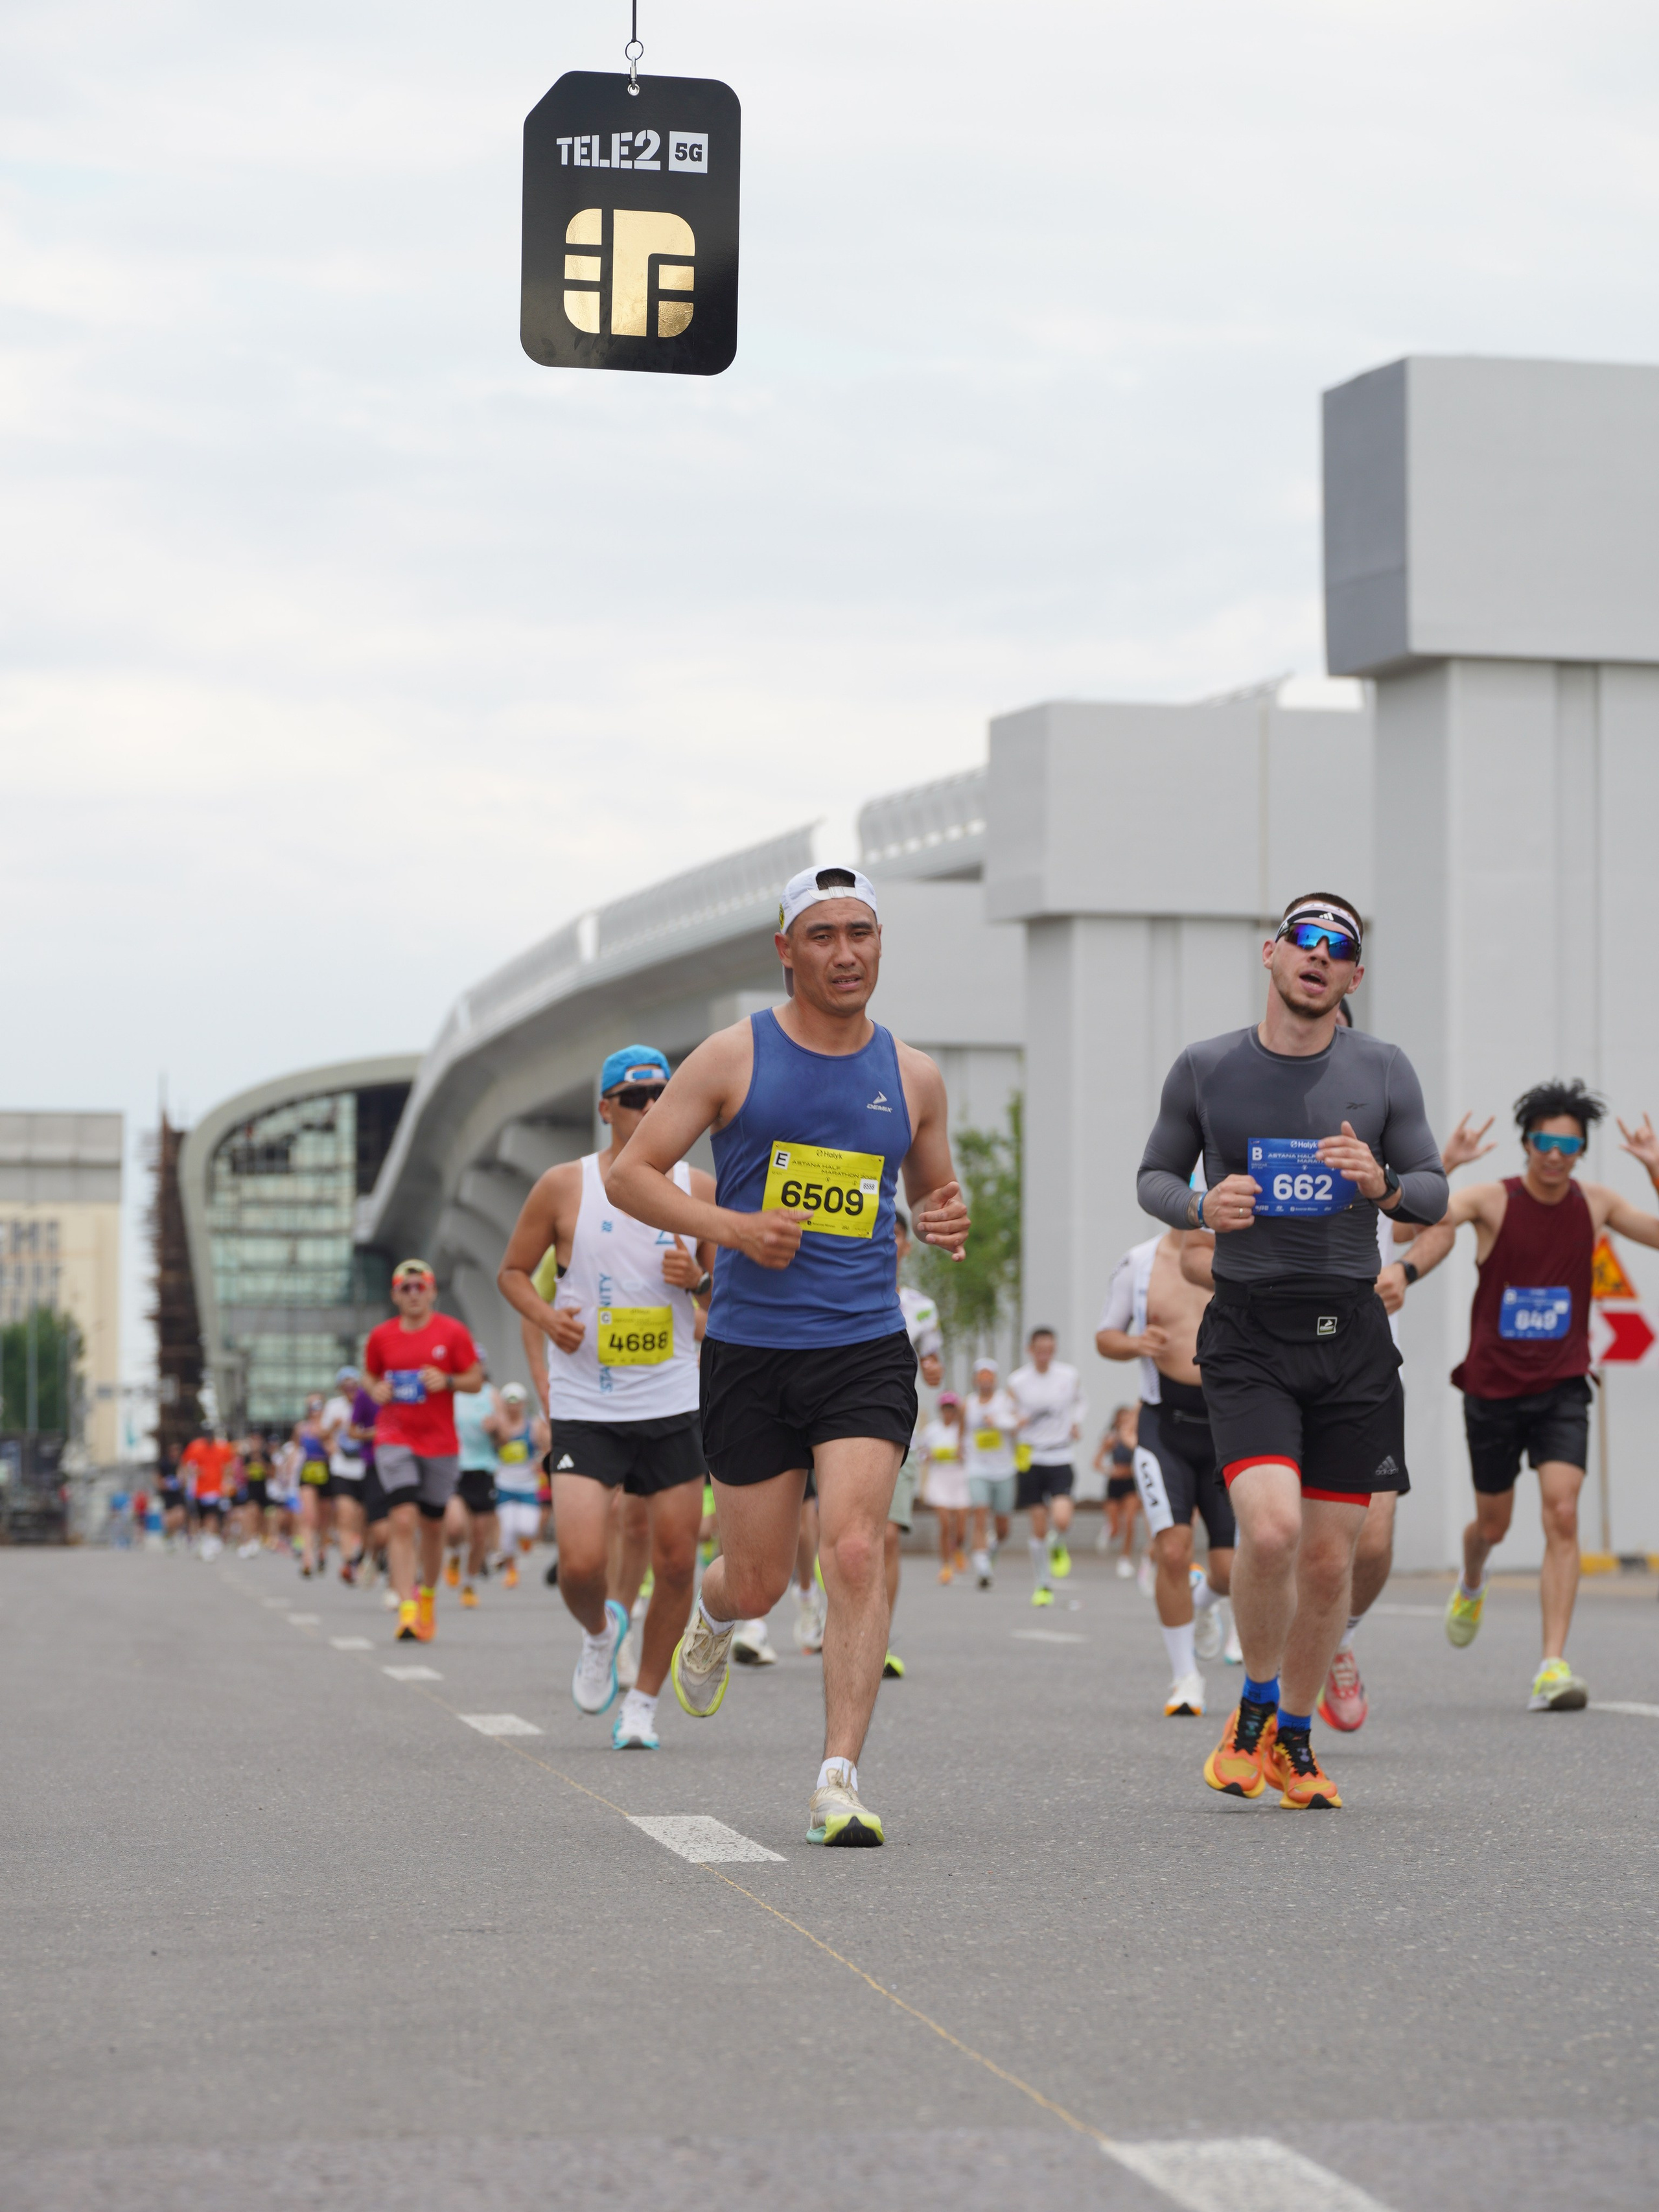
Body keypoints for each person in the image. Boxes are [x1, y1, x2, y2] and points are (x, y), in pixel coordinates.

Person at [608, 865, 969, 1845]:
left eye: (862, 932)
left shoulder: (915, 1075)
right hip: (751, 1350)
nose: (846, 953)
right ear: (785, 949)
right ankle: (717, 1614)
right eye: (822, 935)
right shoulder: (733, 1058)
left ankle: (837, 1778)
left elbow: (937, 1208)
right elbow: (632, 1178)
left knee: (853, 1547)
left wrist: (946, 1221)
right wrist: (730, 1228)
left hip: (862, 1343)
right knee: (759, 1575)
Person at [1136, 892, 1447, 1809]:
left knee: (1327, 1564)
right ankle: (1256, 1707)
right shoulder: (1207, 1068)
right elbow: (1154, 1174)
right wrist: (1202, 1206)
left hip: (1351, 1337)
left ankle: (1296, 1742)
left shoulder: (1384, 1070)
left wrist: (1383, 1183)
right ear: (1271, 954)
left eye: (1339, 947)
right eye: (1305, 939)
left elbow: (1431, 1191)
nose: (1319, 955)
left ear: (1353, 977)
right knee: (1270, 1530)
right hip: (1252, 1333)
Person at [1398, 1080, 1659, 1711]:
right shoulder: (1490, 1200)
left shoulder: (1595, 1203)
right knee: (1493, 1523)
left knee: (1562, 1515)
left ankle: (1551, 1665)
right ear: (1526, 1143)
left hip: (1563, 1383)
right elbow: (1411, 1228)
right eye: (1545, 1140)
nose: (1555, 1153)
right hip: (1491, 1387)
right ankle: (1471, 1575)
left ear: (1580, 1150)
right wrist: (1445, 1164)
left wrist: (1654, 1170)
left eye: (1568, 1143)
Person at [498, 1046, 714, 1749]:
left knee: (677, 1559)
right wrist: (546, 1316)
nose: (650, 1107)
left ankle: (643, 1703)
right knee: (582, 1561)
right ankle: (599, 1632)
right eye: (633, 1096)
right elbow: (510, 1272)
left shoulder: (698, 1188)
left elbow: (739, 1291)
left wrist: (698, 1280)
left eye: (661, 1094)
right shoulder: (565, 1186)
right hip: (588, 1401)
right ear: (605, 1108)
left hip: (674, 1395)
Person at [1098, 1233, 1235, 1716]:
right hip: (1164, 1425)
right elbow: (1106, 1335)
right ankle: (1185, 1677)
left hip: (1231, 1422)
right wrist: (1136, 1343)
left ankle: (1200, 1604)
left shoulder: (1245, 1248)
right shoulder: (1139, 1261)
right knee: (1173, 1550)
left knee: (1230, 1570)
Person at [362, 1260, 483, 1643]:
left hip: (440, 1443)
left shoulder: (453, 1332)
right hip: (394, 1438)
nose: (414, 1294)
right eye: (406, 1288)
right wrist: (374, 1389)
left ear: (432, 1292)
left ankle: (426, 1597)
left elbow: (475, 1380)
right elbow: (369, 1374)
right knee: (402, 1519)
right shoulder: (381, 1336)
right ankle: (406, 1608)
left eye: (421, 1287)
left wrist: (447, 1380)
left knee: (433, 1525)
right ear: (395, 1295)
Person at [883, 1208, 945, 1678]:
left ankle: (876, 1638)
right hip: (831, 1427)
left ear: (906, 1245)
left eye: (897, 1234)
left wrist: (934, 1370)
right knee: (839, 1540)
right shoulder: (837, 1296)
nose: (889, 1240)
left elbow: (932, 1359)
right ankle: (836, 1614)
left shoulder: (921, 1308)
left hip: (896, 1428)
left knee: (884, 1538)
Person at [1008, 1327, 1086, 1600]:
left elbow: (1080, 1402)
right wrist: (1013, 1423)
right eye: (1040, 1350)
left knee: (1062, 1518)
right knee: (1038, 1524)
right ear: (1031, 1351)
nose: (1045, 1355)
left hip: (1060, 1454)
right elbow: (1005, 1413)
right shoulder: (1018, 1381)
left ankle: (1059, 1542)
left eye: (1049, 1350)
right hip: (1031, 1456)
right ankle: (1043, 1583)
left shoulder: (1068, 1376)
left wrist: (1076, 1423)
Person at [447, 1362, 501, 1608]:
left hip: (483, 1469)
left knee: (480, 1534)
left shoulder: (491, 1394)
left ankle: (469, 1582)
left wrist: (495, 1429)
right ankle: (456, 1554)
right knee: (455, 1527)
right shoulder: (451, 1393)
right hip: (454, 1466)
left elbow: (505, 1436)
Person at [965, 1357, 1019, 1592]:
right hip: (977, 1467)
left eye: (989, 1376)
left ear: (994, 1379)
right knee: (979, 1514)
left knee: (1003, 1528)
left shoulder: (1005, 1401)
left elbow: (1018, 1424)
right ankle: (983, 1568)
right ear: (975, 1379)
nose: (985, 1380)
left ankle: (992, 1548)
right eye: (981, 1375)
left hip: (1004, 1468)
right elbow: (961, 1431)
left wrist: (997, 1421)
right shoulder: (967, 1404)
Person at [320, 1368, 368, 1583]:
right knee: (345, 1516)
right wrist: (332, 1433)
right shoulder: (334, 1407)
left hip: (366, 1467)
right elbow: (324, 1435)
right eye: (345, 1385)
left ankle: (364, 1555)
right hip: (342, 1469)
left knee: (366, 1518)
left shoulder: (367, 1403)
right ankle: (348, 1562)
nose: (350, 1389)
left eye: (353, 1384)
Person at [918, 1391, 969, 1579]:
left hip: (959, 1480)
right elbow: (921, 1453)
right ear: (941, 1411)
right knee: (945, 1524)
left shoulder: (962, 1430)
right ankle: (946, 1564)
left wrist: (963, 1455)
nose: (949, 1413)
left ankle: (958, 1548)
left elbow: (971, 1452)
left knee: (961, 1528)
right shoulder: (932, 1430)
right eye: (945, 1409)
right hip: (940, 1479)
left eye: (952, 1409)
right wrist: (930, 1456)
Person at [491, 1383, 539, 1584]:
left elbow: (546, 1448)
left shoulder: (533, 1426)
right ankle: (511, 1569)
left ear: (523, 1404)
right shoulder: (497, 1425)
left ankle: (525, 1540)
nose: (513, 1408)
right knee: (508, 1528)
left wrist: (539, 1461)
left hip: (527, 1483)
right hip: (504, 1482)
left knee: (528, 1527)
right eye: (509, 1403)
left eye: (516, 1403)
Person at [1093, 1406, 1140, 1571]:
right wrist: (1111, 1471)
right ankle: (1109, 1531)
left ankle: (1125, 1558)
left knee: (1129, 1521)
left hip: (1131, 1483)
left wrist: (1132, 1470)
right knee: (1115, 1527)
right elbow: (1096, 1463)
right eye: (1123, 1418)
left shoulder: (1136, 1439)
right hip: (1114, 1484)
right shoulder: (1111, 1439)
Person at [179, 1428, 237, 1561]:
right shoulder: (195, 1447)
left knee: (213, 1516)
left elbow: (228, 1467)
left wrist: (228, 1483)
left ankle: (209, 1539)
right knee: (198, 1517)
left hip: (215, 1490)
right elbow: (185, 1465)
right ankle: (199, 1539)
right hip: (198, 1491)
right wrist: (189, 1477)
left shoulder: (222, 1448)